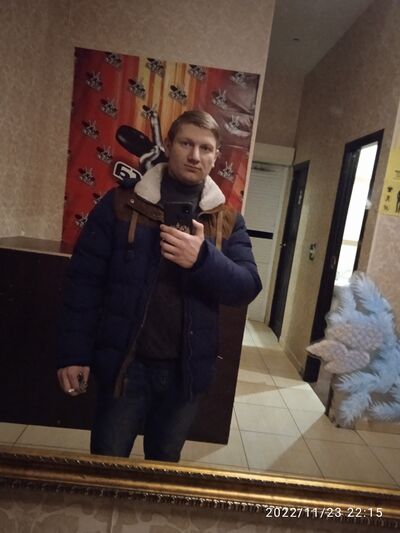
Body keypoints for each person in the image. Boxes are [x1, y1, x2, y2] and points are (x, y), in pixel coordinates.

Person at [57, 110, 262, 462]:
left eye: (205, 148)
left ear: (216, 157)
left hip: (185, 372)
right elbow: (83, 283)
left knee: (164, 466)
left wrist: (202, 259)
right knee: (107, 461)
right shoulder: (121, 204)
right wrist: (74, 353)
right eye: (185, 144)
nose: (194, 155)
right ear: (168, 145)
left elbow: (247, 286)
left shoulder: (227, 221)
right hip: (125, 366)